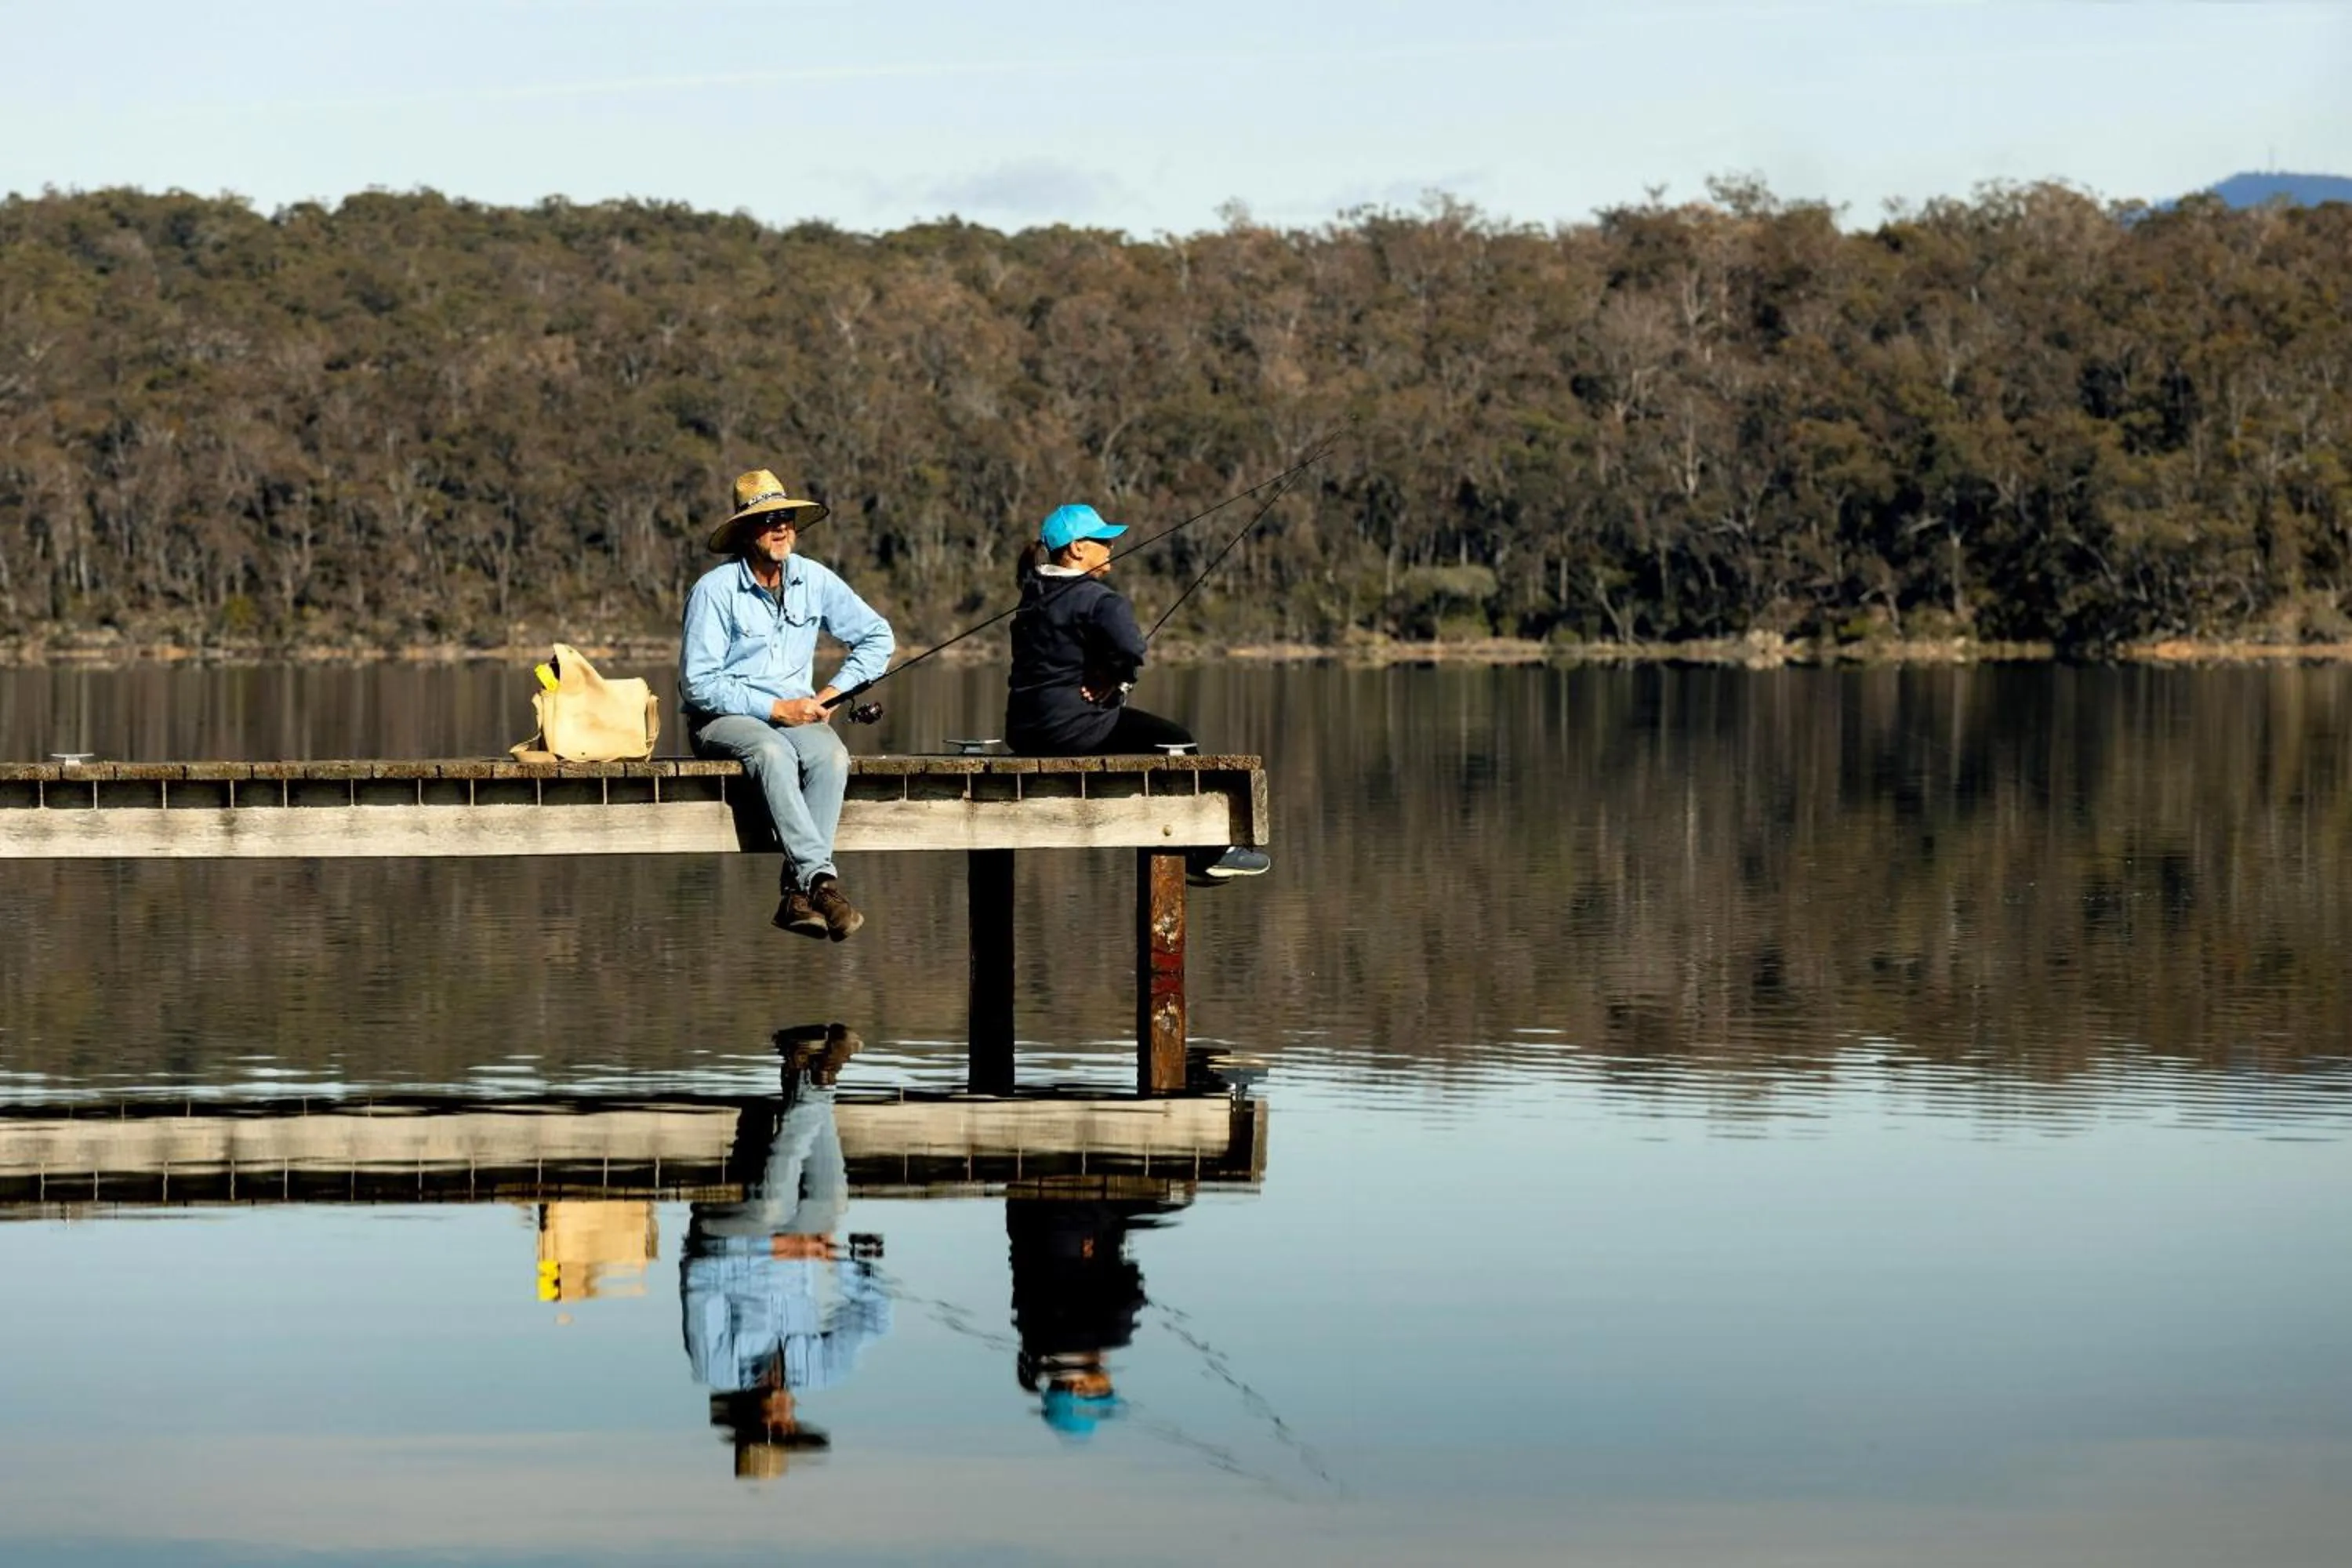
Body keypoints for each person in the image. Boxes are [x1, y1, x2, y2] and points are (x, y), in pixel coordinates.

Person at [1003, 503, 1270, 884]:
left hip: (1025, 732)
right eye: (1102, 540)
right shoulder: (1099, 599)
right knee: (1176, 742)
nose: (1110, 547)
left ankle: (1189, 848)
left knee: (1147, 737)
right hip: (1072, 730)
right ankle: (1209, 854)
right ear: (1077, 548)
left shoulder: (1032, 596)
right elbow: (1132, 648)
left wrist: (1108, 674)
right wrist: (1119, 677)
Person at [681, 469, 895, 942]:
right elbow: (697, 684)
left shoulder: (814, 579)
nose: (780, 528)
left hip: (799, 715)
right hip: (721, 721)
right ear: (744, 531)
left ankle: (797, 897)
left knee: (831, 755)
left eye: (787, 519)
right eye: (767, 520)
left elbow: (878, 637)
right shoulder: (714, 591)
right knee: (773, 752)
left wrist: (832, 694)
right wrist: (778, 710)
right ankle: (819, 881)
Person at [682, 1024, 890, 1479]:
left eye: (769, 1429)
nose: (781, 1419)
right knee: (832, 1206)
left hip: (728, 1235)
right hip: (794, 1239)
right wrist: (839, 1260)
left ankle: (817, 1079)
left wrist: (773, 1249)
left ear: (745, 1423)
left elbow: (699, 1278)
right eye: (787, 1429)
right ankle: (811, 1075)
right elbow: (874, 1317)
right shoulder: (820, 1372)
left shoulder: (714, 1364)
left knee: (774, 1204)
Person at [1005, 1179, 1191, 1440]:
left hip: (1082, 1208)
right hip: (1029, 1204)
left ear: (1078, 1388)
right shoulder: (1033, 1337)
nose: (1109, 1380)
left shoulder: (1110, 1334)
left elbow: (1133, 1286)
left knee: (1178, 1197)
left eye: (1103, 1388)